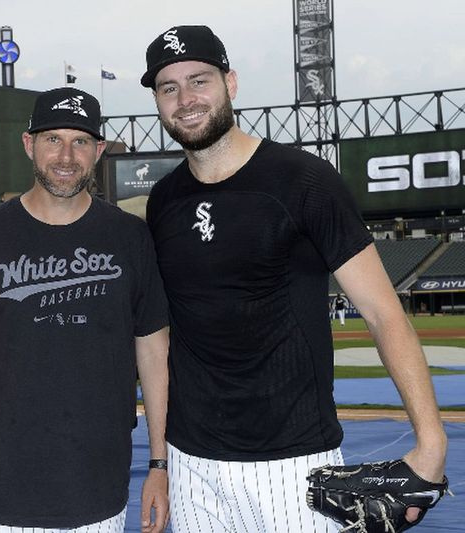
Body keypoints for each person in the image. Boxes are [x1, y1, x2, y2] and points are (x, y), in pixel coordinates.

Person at [140, 26, 447, 532]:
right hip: (192, 461)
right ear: (157, 100)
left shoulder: (304, 180)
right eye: (168, 87)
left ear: (231, 83)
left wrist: (431, 440)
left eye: (199, 80)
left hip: (292, 463)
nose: (186, 99)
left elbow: (382, 311)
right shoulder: (164, 200)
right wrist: (161, 462)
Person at [0, 87, 170, 533]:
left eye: (80, 141)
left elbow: (154, 355)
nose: (66, 155)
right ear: (29, 144)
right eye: (52, 139)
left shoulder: (130, 237)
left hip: (98, 490)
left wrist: (158, 463)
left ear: (99, 150)